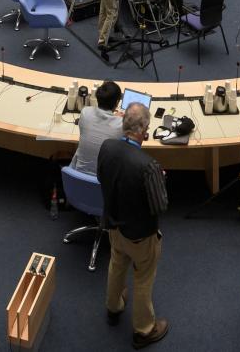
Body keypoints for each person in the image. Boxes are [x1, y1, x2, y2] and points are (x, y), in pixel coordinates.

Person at [98, 103, 169, 347]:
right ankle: (144, 330)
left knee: (117, 266)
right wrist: (160, 181)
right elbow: (160, 206)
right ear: (143, 131)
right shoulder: (149, 166)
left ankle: (114, 307)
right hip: (140, 236)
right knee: (143, 280)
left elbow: (101, 177)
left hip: (113, 226)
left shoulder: (106, 147)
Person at [70, 81, 123, 174]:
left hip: (77, 176)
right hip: (104, 183)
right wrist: (117, 118)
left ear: (97, 98)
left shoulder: (85, 113)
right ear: (117, 102)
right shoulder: (121, 124)